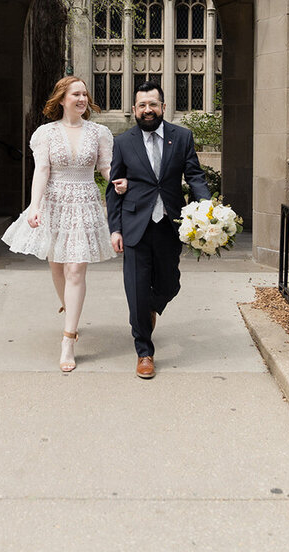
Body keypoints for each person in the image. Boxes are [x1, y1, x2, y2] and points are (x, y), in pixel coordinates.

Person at [1, 76, 127, 372]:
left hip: (85, 200)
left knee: (75, 268)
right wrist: (34, 206)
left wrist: (117, 182)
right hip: (54, 202)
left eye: (85, 94)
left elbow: (106, 166)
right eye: (76, 94)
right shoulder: (46, 133)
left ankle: (68, 338)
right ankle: (68, 308)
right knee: (57, 263)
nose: (82, 99)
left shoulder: (99, 132)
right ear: (62, 99)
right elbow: (42, 170)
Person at [106, 81, 211, 379]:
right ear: (134, 110)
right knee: (136, 289)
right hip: (134, 224)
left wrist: (205, 211)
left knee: (170, 284)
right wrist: (115, 228)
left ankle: (149, 307)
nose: (147, 110)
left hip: (169, 224)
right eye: (142, 105)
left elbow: (195, 176)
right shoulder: (123, 142)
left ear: (163, 107)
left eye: (153, 104)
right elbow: (114, 188)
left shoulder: (182, 138)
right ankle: (144, 352)